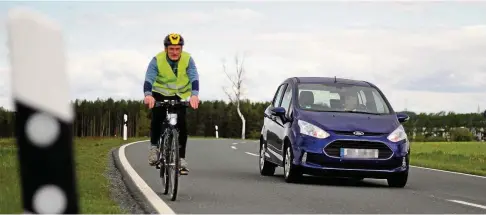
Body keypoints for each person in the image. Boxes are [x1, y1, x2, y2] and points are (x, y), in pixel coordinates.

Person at [143, 33, 200, 174]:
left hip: (179, 95)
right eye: (171, 49)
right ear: (165, 49)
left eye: (177, 49)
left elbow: (194, 77)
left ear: (181, 48)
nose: (175, 52)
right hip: (159, 94)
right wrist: (148, 95)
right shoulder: (157, 60)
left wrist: (194, 95)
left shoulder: (188, 59)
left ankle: (181, 159)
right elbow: (149, 78)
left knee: (182, 125)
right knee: (157, 118)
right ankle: (154, 148)